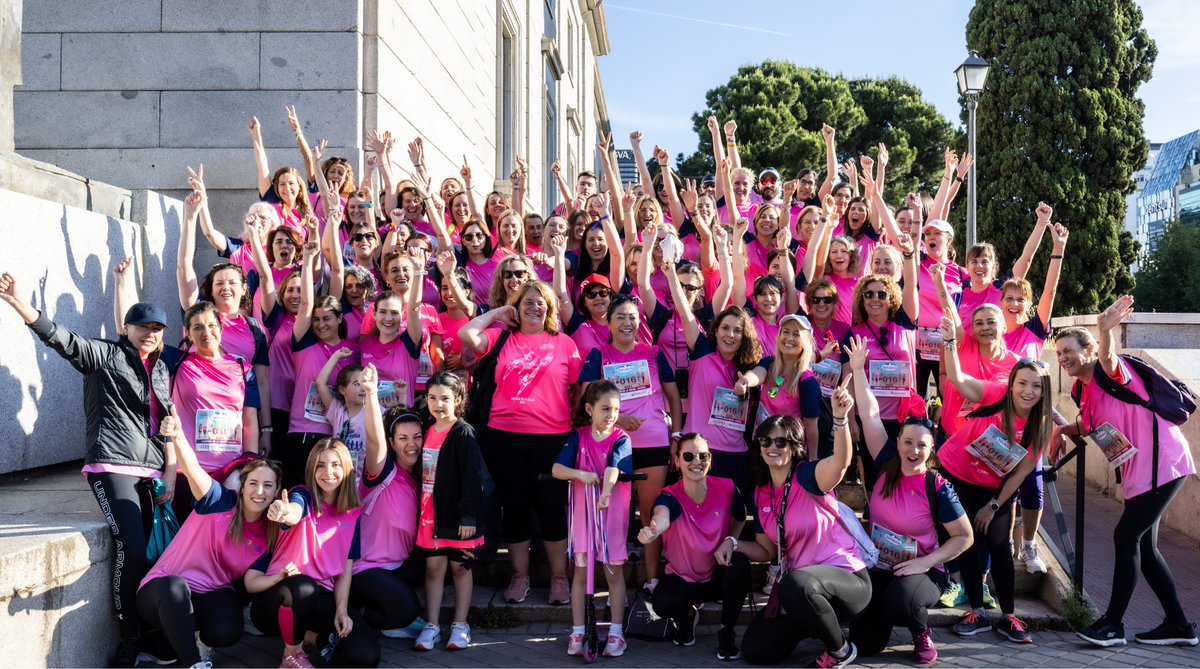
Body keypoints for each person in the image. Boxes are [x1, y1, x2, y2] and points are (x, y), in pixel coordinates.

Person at [1, 271, 177, 667]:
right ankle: (128, 638)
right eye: (142, 327)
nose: (149, 333)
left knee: (153, 556)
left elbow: (168, 427)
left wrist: (171, 471)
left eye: (156, 328)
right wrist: (19, 303)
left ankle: (152, 633)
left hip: (152, 473)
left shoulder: (163, 370)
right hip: (111, 465)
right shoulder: (106, 355)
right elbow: (60, 339)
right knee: (131, 550)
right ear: (126, 328)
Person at [1056, 298, 1199, 648]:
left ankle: (1113, 624)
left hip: (1162, 463)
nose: (1062, 359)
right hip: (1140, 472)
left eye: (1069, 351)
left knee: (1125, 536)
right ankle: (1179, 625)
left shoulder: (1110, 370)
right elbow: (1088, 425)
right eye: (1058, 354)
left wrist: (1106, 330)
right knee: (1145, 549)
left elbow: (1108, 358)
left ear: (1088, 350)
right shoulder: (1083, 391)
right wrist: (1059, 431)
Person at [843, 337, 973, 665]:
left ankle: (920, 633)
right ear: (898, 441)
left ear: (931, 451)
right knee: (866, 643)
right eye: (908, 442)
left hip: (923, 572)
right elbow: (870, 414)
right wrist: (858, 370)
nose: (913, 451)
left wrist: (924, 563)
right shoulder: (885, 461)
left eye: (922, 446)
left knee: (902, 599)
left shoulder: (937, 485)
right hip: (881, 565)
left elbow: (965, 536)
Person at [459, 280, 582, 606]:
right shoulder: (501, 339)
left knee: (551, 507)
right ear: (517, 306)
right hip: (503, 438)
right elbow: (466, 335)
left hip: (551, 438)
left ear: (550, 309)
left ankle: (558, 578)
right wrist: (500, 313)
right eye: (527, 302)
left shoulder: (565, 344)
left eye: (540, 302)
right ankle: (520, 576)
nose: (534, 307)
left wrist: (572, 422)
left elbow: (578, 389)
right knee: (515, 507)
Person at [936, 315, 1052, 644]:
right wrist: (948, 342)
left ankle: (1009, 616)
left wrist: (995, 504)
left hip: (994, 486)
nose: (1028, 391)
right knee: (969, 541)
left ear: (1044, 392)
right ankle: (977, 611)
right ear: (1012, 383)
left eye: (1036, 386)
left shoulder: (1040, 426)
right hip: (957, 473)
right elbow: (957, 380)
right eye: (1022, 383)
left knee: (1000, 543)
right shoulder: (995, 394)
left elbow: (1021, 472)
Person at [137, 414, 281, 669]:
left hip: (211, 592)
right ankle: (194, 663)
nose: (260, 492)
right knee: (175, 589)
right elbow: (192, 469)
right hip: (163, 591)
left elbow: (252, 580)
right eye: (254, 483)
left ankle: (186, 638)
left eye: (268, 485)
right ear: (243, 485)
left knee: (227, 630)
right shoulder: (219, 501)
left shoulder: (269, 532)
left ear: (276, 491)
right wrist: (178, 435)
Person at [736, 407, 870, 668]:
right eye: (766, 440)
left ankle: (840, 651)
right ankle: (821, 630)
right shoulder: (761, 493)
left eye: (781, 441)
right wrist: (734, 543)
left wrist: (841, 418)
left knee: (795, 584)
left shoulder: (808, 475)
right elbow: (767, 552)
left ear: (794, 447)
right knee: (756, 650)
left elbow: (841, 463)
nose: (772, 446)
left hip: (847, 581)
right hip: (803, 593)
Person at [577, 294, 682, 588]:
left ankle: (652, 580)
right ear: (608, 322)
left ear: (640, 322)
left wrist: (676, 436)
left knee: (650, 513)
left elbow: (673, 397)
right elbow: (585, 400)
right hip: (613, 445)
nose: (626, 323)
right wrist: (617, 419)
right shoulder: (598, 355)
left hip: (653, 443)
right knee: (614, 514)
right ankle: (612, 583)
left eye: (632, 317)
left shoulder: (653, 353)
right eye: (620, 317)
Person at [246, 439, 377, 668]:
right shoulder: (303, 495)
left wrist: (341, 610)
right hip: (280, 596)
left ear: (346, 468)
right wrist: (283, 511)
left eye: (335, 464)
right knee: (304, 586)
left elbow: (345, 568)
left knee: (365, 656)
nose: (328, 472)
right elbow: (293, 512)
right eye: (320, 465)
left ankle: (308, 637)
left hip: (320, 597)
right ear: (311, 470)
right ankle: (291, 655)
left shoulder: (352, 512)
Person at [638, 433, 751, 661]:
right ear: (677, 461)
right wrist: (652, 530)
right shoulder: (670, 496)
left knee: (740, 566)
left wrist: (730, 540)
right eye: (688, 456)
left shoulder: (726, 487)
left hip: (716, 575)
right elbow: (662, 516)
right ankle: (687, 615)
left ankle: (725, 632)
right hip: (683, 580)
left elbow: (740, 517)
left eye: (703, 456)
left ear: (710, 460)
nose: (696, 462)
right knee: (663, 603)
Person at [553, 381, 634, 658]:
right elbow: (557, 469)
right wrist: (580, 474)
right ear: (589, 409)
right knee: (580, 571)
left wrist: (606, 492)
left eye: (615, 409)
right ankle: (577, 630)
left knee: (613, 570)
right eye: (605, 408)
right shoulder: (579, 436)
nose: (611, 414)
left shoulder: (622, 438)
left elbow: (613, 468)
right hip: (583, 514)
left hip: (611, 512)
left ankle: (615, 632)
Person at [412, 372, 487, 652]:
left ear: (458, 399)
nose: (438, 404)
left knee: (460, 568)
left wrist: (468, 516)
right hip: (429, 512)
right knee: (433, 568)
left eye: (445, 398)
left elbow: (471, 476)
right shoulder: (425, 428)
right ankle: (431, 625)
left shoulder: (463, 432)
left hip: (457, 517)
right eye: (432, 398)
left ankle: (460, 624)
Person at [349, 368, 424, 641]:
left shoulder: (420, 477)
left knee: (440, 562)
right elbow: (373, 439)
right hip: (367, 568)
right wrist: (370, 393)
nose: (411, 444)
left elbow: (407, 424)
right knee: (406, 610)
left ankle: (387, 610)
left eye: (417, 437)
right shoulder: (381, 470)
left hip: (400, 566)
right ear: (392, 443)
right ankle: (355, 613)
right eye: (403, 439)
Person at [169, 301, 260, 516]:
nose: (206, 332)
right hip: (188, 473)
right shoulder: (177, 361)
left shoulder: (243, 367)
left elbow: (249, 421)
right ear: (188, 333)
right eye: (198, 327)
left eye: (211, 325)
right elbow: (137, 339)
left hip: (230, 473)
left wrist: (252, 465)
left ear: (221, 327)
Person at [285, 239, 359, 487]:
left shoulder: (353, 351)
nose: (320, 325)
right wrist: (307, 261)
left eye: (327, 318)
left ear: (339, 319)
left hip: (336, 435)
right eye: (316, 320)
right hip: (301, 432)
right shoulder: (304, 343)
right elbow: (306, 304)